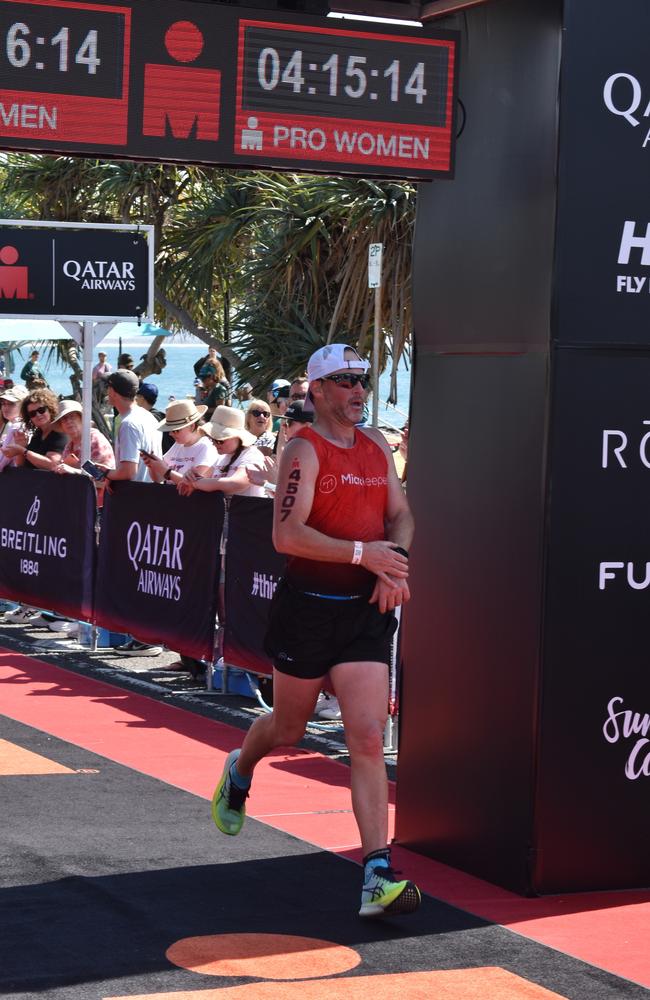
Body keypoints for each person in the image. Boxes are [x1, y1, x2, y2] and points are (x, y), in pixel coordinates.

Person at [211, 344, 419, 919]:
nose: (359, 390)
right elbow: (287, 537)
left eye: (364, 380)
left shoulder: (377, 442)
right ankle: (241, 768)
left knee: (368, 736)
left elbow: (400, 513)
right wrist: (364, 554)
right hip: (307, 608)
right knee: (289, 726)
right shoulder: (303, 449)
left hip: (363, 613)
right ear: (319, 391)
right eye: (346, 381)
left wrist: (392, 562)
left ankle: (377, 873)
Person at [101, 369, 163, 656]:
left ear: (113, 391)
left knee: (138, 569)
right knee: (146, 570)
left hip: (137, 502)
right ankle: (145, 635)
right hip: (150, 497)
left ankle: (145, 637)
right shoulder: (147, 417)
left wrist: (105, 474)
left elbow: (126, 470)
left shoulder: (128, 423)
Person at [52, 399, 115, 507]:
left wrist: (74, 471)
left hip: (99, 507)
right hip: (78, 505)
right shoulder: (69, 445)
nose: (68, 421)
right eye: (64, 419)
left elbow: (102, 478)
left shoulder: (94, 439)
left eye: (72, 416)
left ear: (82, 419)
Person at [141, 399, 217, 485]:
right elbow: (158, 479)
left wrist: (166, 471)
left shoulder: (207, 448)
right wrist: (153, 466)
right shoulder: (179, 444)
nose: (170, 434)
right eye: (170, 430)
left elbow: (193, 484)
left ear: (191, 426)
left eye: (175, 430)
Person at [247, 398, 313, 494]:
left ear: (307, 426)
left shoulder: (315, 458)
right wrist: (267, 484)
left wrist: (272, 481)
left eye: (289, 423)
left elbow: (294, 502)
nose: (283, 427)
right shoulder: (299, 454)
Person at [6, 387, 66, 470]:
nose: (38, 415)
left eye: (41, 410)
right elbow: (20, 465)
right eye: (32, 413)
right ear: (29, 418)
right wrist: (22, 446)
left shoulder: (59, 433)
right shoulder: (37, 435)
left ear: (50, 409)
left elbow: (53, 465)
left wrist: (23, 451)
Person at [0, 384, 27, 473]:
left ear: (22, 406)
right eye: (3, 403)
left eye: (11, 404)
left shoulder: (17, 427)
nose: (5, 407)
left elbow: (2, 462)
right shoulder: (22, 425)